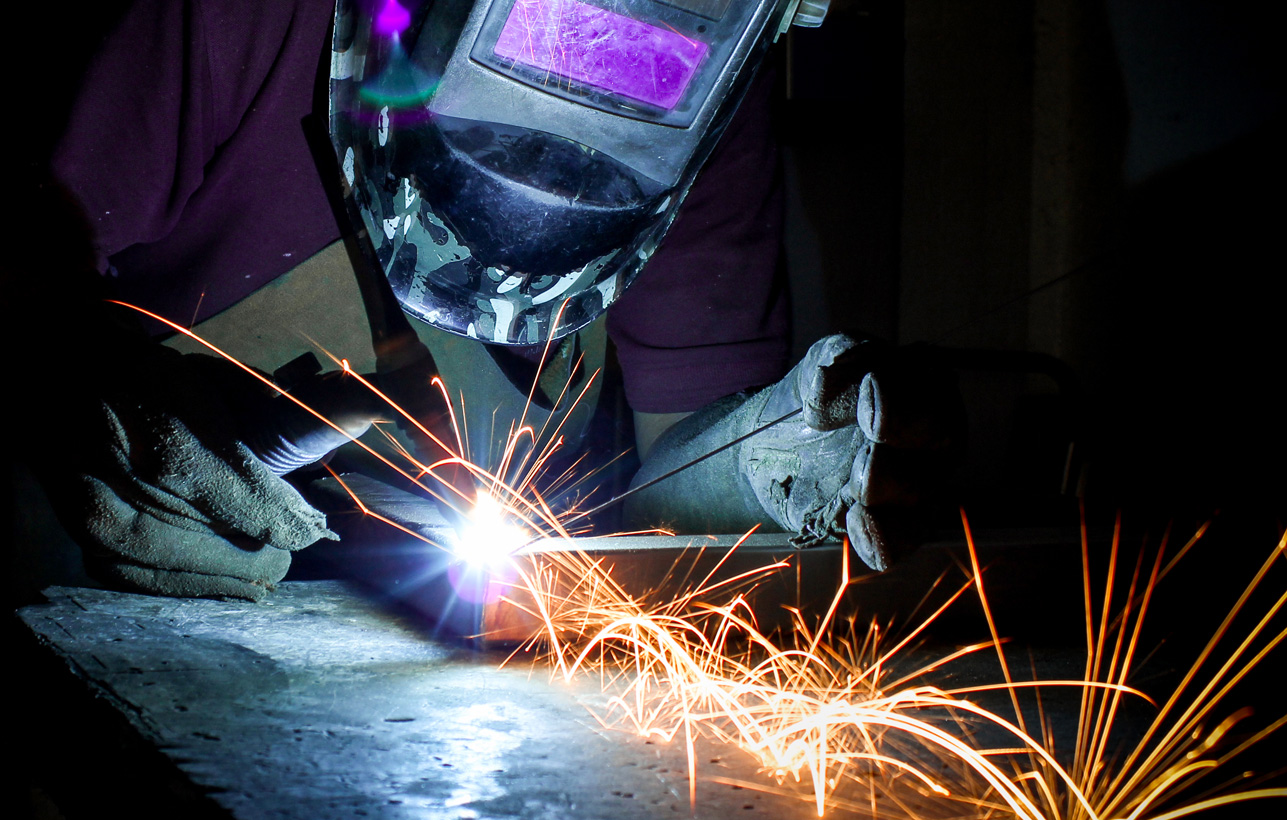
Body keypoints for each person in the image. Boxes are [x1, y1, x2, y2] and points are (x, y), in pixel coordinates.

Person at [25, 0, 946, 602]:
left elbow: (676, 472)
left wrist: (751, 465)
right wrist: (104, 428)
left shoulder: (716, 79)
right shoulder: (246, 19)